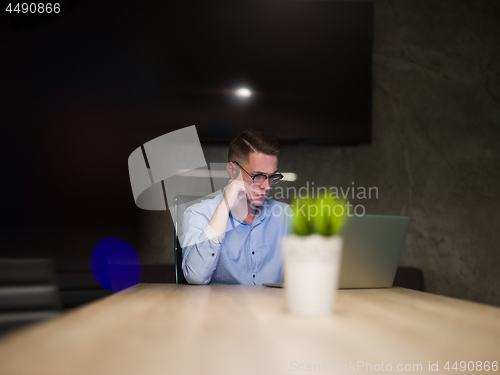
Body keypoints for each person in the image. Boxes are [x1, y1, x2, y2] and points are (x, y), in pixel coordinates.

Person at [180, 129, 293, 285]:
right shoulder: (198, 214)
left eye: (272, 176)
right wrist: (224, 206)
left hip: (271, 307)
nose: (266, 186)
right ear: (232, 171)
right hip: (222, 308)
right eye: (258, 175)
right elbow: (195, 277)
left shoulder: (285, 215)